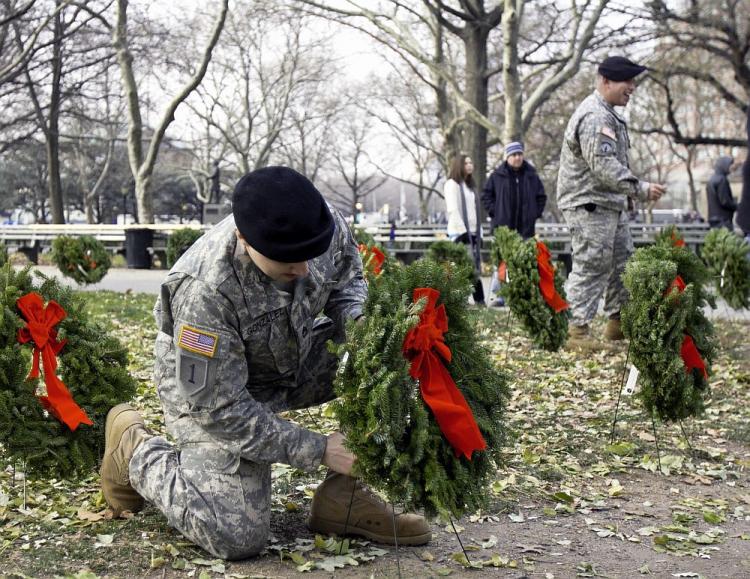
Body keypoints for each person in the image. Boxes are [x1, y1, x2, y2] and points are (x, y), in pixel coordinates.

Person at [99, 167, 431, 560]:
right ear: (244, 239)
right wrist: (320, 448)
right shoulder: (204, 289)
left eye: (310, 256)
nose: (305, 269)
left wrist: (361, 327)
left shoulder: (321, 224)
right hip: (216, 393)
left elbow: (348, 283)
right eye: (288, 262)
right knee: (234, 536)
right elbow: (222, 410)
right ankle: (135, 450)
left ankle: (345, 497)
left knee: (402, 348)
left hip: (295, 357)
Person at [556, 56, 666, 346]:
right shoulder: (595, 116)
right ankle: (576, 330)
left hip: (608, 204)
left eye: (633, 81)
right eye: (627, 81)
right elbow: (603, 165)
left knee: (622, 264)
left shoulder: (608, 114)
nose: (632, 87)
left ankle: (617, 324)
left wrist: (626, 198)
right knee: (592, 263)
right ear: (606, 81)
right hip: (589, 204)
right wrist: (639, 189)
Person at [482, 141, 547, 306]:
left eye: (520, 154)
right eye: (513, 155)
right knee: (503, 262)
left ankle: (522, 297)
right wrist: (495, 212)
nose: (517, 157)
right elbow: (486, 196)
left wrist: (534, 213)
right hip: (504, 229)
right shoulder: (497, 175)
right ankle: (500, 296)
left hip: (526, 229)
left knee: (524, 262)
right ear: (508, 157)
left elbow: (541, 197)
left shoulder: (531, 175)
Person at [444, 153, 485, 305]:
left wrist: (479, 233)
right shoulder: (451, 185)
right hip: (459, 233)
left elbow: (475, 211)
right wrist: (462, 232)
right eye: (466, 163)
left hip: (473, 232)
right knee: (465, 267)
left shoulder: (470, 187)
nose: (470, 165)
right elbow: (453, 210)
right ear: (459, 165)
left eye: (471, 162)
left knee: (472, 265)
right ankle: (472, 300)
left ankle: (476, 300)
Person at [707, 156, 738, 230]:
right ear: (724, 165)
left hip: (713, 219)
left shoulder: (711, 180)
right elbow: (725, 201)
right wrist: (738, 206)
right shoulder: (722, 180)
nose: (731, 167)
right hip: (723, 220)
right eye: (730, 165)